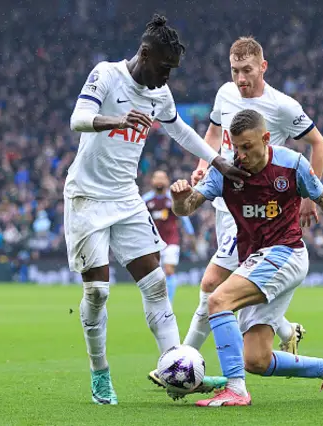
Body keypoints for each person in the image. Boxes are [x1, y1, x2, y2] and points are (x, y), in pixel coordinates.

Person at [65, 14, 248, 405]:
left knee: (155, 283)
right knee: (97, 292)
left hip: (126, 197)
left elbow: (179, 128)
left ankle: (176, 368)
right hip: (86, 197)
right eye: (164, 68)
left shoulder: (159, 94)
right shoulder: (107, 75)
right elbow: (77, 119)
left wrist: (218, 161)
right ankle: (100, 373)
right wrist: (116, 119)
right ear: (145, 54)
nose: (166, 78)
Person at [169, 109, 323, 406]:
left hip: (287, 253)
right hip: (255, 259)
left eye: (247, 147)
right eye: (236, 147)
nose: (241, 155)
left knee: (218, 300)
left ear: (265, 138)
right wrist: (179, 199)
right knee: (256, 360)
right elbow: (187, 208)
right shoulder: (225, 170)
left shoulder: (291, 164)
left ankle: (236, 389)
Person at [148, 37, 323, 387]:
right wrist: (204, 164)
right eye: (235, 70)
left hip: (260, 210)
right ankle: (287, 329)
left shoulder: (282, 106)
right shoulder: (225, 93)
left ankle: (181, 360)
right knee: (230, 286)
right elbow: (215, 133)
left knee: (213, 283)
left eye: (247, 70)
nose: (241, 77)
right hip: (225, 204)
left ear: (263, 67)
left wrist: (309, 194)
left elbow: (318, 143)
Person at [142, 170, 197, 303]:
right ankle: (156, 301)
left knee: (169, 270)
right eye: (157, 178)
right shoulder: (145, 200)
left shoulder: (172, 199)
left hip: (171, 241)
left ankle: (169, 303)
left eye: (163, 178)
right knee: (155, 275)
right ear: (152, 181)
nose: (160, 181)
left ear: (167, 181)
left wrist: (191, 235)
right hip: (152, 242)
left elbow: (184, 218)